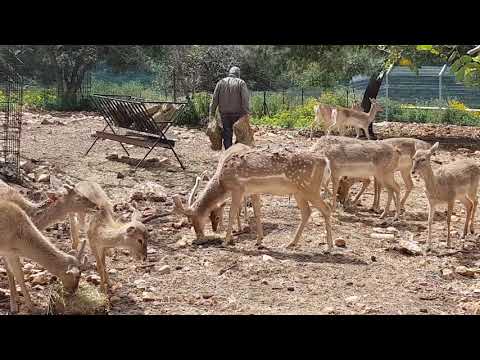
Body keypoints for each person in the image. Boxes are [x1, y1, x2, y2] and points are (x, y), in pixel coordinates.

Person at [209, 66, 250, 149]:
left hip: (224, 114)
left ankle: (228, 152)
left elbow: (214, 99)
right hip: (238, 114)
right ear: (238, 74)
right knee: (241, 135)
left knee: (227, 134)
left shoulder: (221, 82)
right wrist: (247, 112)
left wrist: (212, 114)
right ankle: (238, 153)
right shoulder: (241, 83)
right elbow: (245, 99)